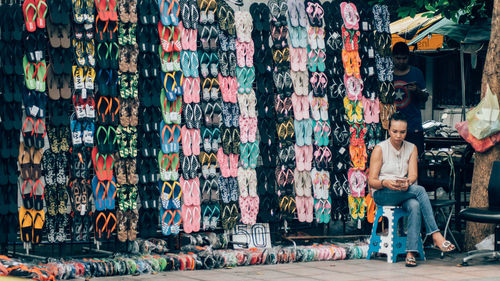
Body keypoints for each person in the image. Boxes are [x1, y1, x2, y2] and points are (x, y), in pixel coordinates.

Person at [368, 112, 455, 267]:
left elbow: (413, 175)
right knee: (420, 191)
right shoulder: (380, 149)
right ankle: (435, 234)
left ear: (406, 131)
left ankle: (411, 252)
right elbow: (372, 181)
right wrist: (386, 182)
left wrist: (406, 182)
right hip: (383, 192)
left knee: (415, 204)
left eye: (402, 132)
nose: (398, 135)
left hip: (402, 191)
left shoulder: (412, 148)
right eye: (395, 131)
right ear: (389, 130)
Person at [392, 42, 429, 156]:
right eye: (398, 58)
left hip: (413, 127)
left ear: (408, 57)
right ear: (393, 58)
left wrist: (417, 91)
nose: (401, 61)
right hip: (393, 127)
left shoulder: (416, 73)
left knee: (416, 160)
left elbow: (425, 98)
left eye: (404, 58)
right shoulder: (387, 74)